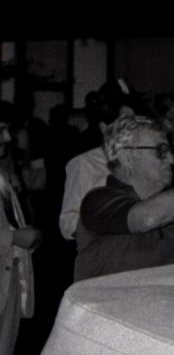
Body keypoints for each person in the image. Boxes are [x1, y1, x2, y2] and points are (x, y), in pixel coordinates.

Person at [74, 116, 174, 280]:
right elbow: (147, 218)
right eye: (161, 151)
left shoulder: (165, 208)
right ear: (126, 157)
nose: (171, 160)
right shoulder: (97, 200)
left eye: (170, 151)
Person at [59, 80, 140, 241]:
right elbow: (67, 225)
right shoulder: (85, 164)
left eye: (136, 121)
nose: (134, 128)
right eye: (126, 122)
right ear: (104, 128)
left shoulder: (142, 157)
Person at [0, 103, 39, 355]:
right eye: (0, 129)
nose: (7, 136)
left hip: (9, 283)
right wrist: (12, 238)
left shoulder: (2, 175)